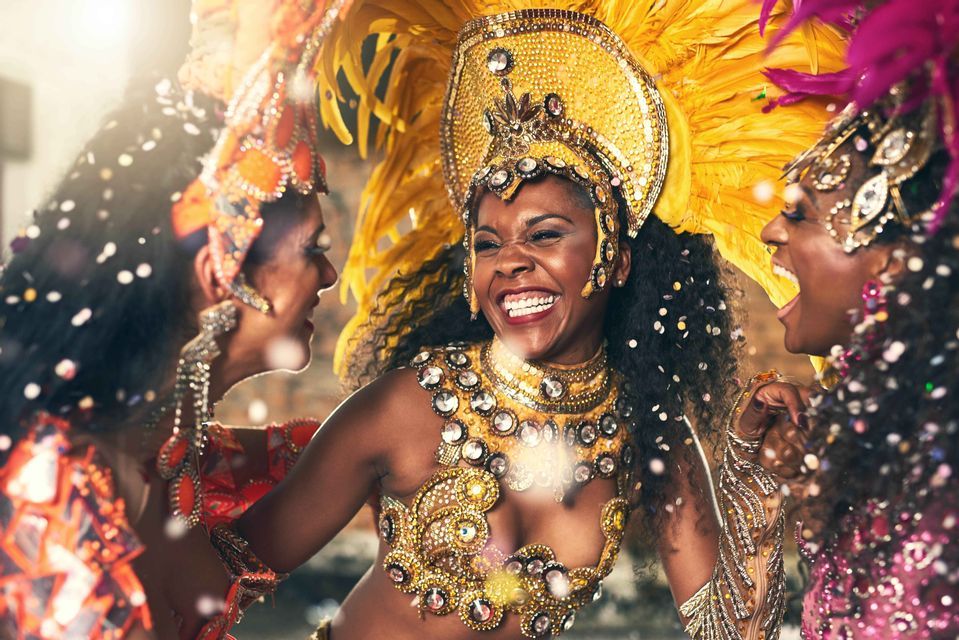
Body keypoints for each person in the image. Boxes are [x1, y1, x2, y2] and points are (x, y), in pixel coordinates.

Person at [232, 2, 843, 638]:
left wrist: (753, 480)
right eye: (487, 244)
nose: (510, 263)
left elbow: (731, 632)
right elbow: (225, 570)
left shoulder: (647, 428)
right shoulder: (407, 405)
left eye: (544, 234)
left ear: (616, 259)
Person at [0, 0, 347, 636]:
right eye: (312, 250)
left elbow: (345, 452)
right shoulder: (49, 489)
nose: (329, 275)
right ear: (221, 269)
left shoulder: (176, 456)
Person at [722, 1, 959, 637]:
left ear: (895, 265)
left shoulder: (939, 469)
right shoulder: (880, 433)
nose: (770, 231)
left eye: (801, 214)